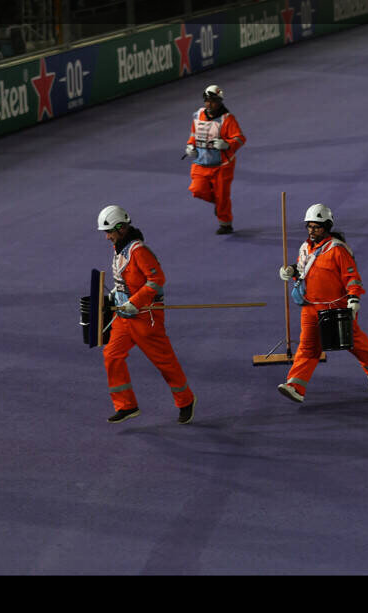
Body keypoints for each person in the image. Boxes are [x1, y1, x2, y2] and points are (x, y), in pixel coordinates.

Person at [96, 205, 196, 424]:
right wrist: (117, 294)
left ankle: (185, 400)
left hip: (146, 317)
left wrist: (135, 302)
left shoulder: (139, 251)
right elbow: (125, 279)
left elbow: (156, 280)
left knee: (164, 362)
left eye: (109, 231)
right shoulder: (120, 247)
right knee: (112, 355)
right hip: (124, 316)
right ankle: (126, 406)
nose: (107, 237)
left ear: (121, 228)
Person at [276, 203, 368, 403]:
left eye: (316, 227)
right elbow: (303, 269)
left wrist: (354, 298)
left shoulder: (337, 249)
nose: (311, 230)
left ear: (326, 227)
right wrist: (291, 271)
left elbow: (351, 276)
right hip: (310, 307)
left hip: (337, 307)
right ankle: (296, 386)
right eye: (309, 226)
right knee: (308, 347)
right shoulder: (305, 247)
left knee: (352, 342)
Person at [184, 85, 245, 235]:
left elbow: (239, 138)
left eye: (213, 101)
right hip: (201, 163)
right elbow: (194, 135)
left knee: (222, 195)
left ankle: (225, 224)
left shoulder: (227, 119)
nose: (210, 104)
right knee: (197, 190)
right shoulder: (198, 115)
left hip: (222, 165)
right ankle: (218, 203)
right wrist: (190, 146)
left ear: (219, 102)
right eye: (207, 101)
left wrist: (227, 144)